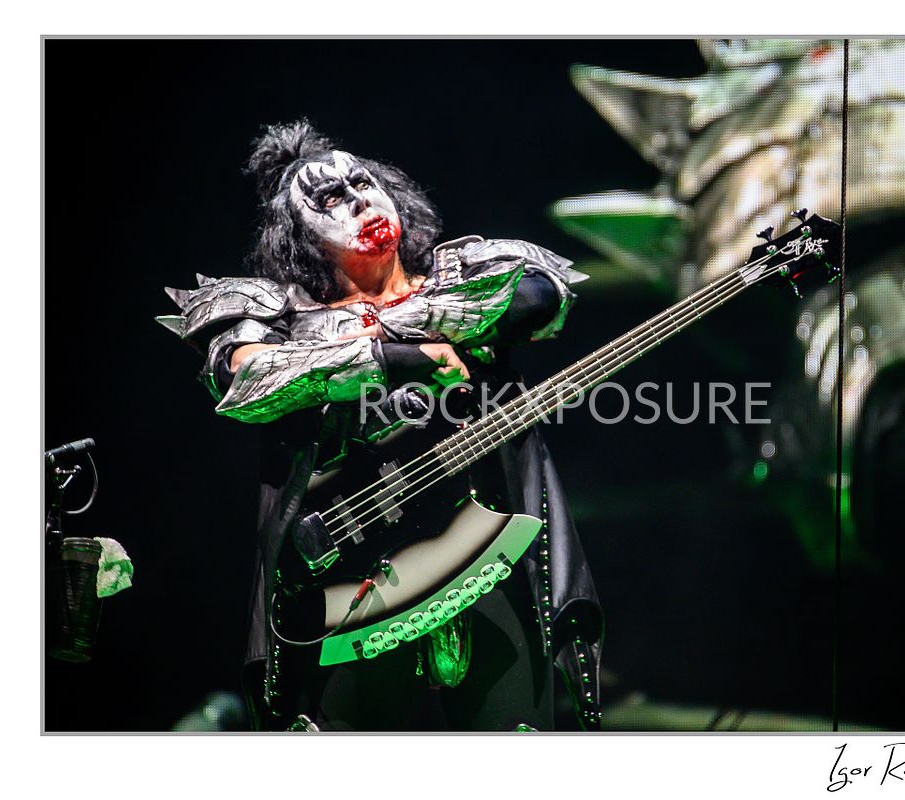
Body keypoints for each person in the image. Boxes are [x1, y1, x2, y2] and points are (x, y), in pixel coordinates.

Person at [158, 120, 602, 731]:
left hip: (491, 555)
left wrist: (400, 321)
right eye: (330, 198)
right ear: (299, 235)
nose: (358, 201)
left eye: (363, 184)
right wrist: (392, 356)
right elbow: (245, 379)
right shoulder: (275, 310)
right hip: (349, 580)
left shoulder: (461, 272)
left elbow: (542, 295)